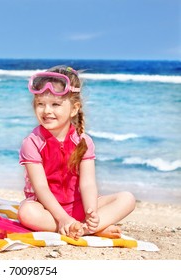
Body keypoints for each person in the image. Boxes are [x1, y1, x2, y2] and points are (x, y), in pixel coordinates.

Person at [17, 65, 136, 240]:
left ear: (74, 108)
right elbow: (40, 187)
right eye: (40, 104)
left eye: (55, 104)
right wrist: (63, 217)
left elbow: (87, 184)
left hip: (79, 206)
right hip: (47, 208)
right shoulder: (32, 143)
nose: (46, 110)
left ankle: (85, 228)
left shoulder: (83, 141)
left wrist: (92, 212)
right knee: (27, 213)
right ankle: (83, 228)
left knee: (127, 198)